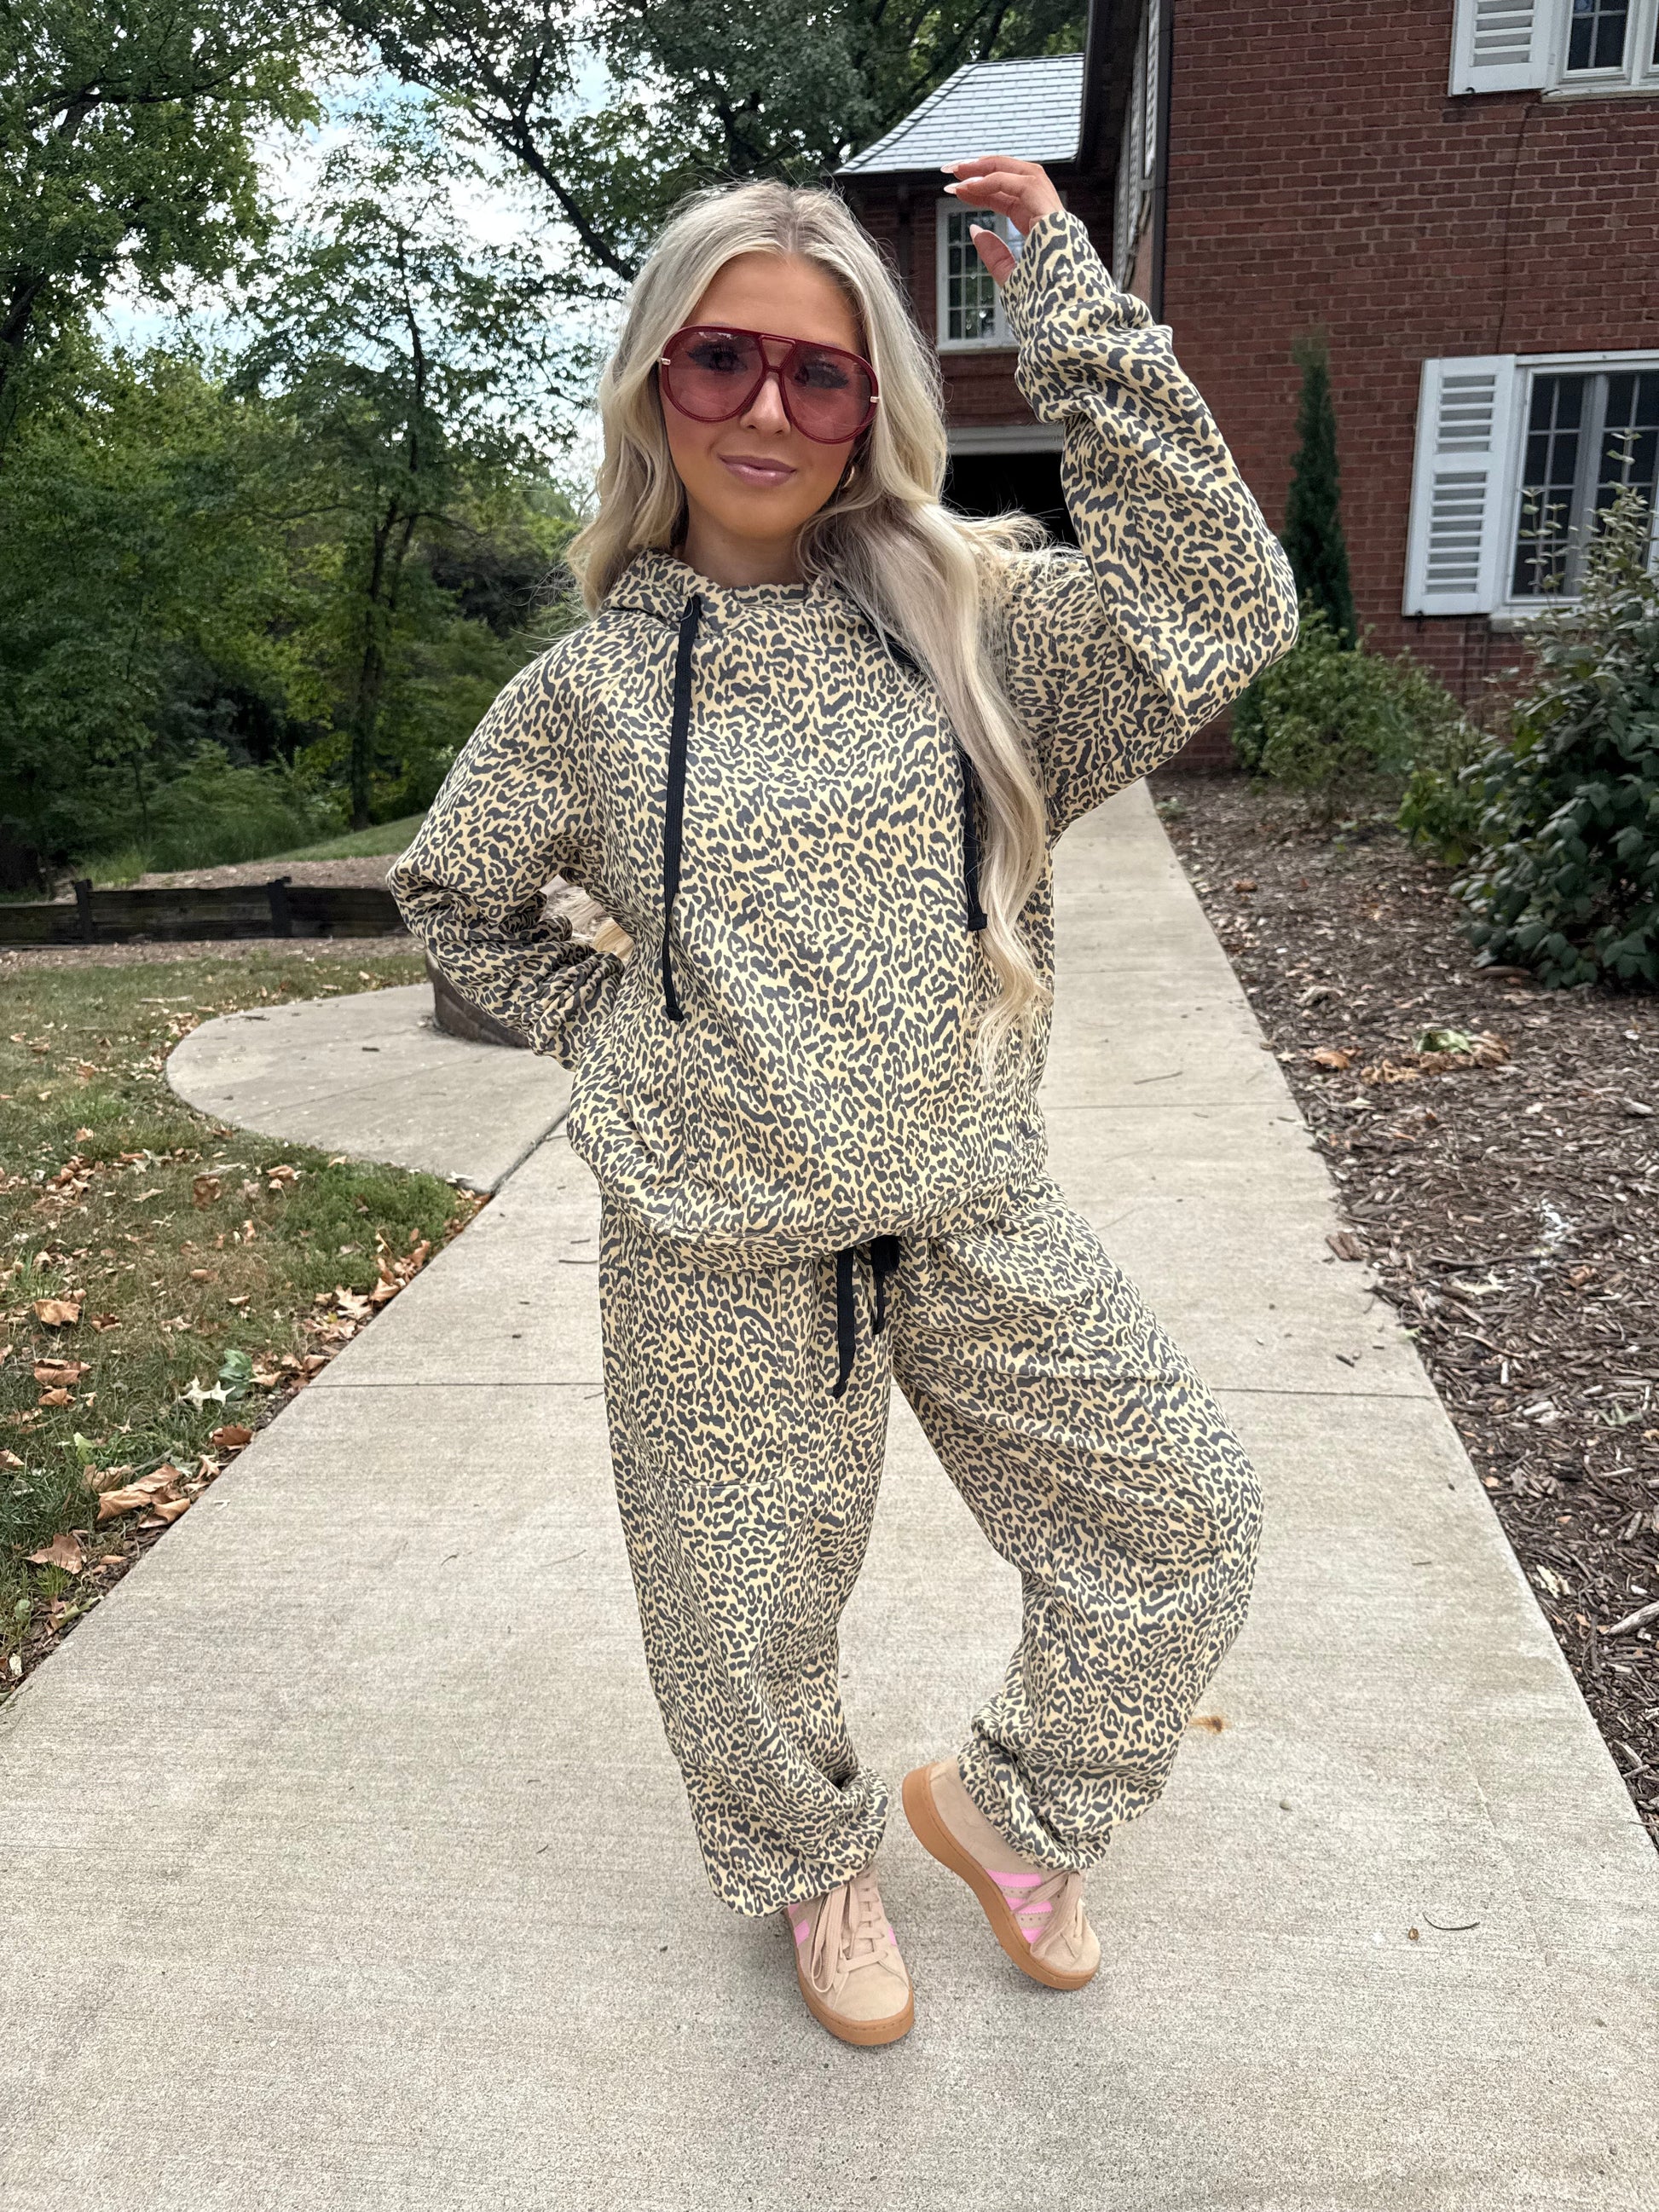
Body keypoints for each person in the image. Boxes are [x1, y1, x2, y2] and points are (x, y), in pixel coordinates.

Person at [387, 153, 1299, 2049]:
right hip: (715, 1244)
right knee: (740, 1619)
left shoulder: (981, 627)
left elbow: (1225, 601)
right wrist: (617, 1032)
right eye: (721, 360)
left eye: (819, 374)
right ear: (656, 382)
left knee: (1182, 1514)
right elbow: (453, 896)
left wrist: (1067, 305)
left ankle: (1013, 1805)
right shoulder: (586, 693)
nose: (768, 411)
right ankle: (813, 1867)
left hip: (967, 1204)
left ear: (871, 403)